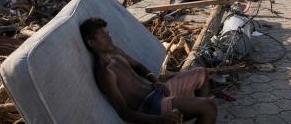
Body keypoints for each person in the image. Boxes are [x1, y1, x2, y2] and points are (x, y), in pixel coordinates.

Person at [80, 18, 217, 124]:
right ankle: (198, 110)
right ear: (91, 43)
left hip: (158, 91)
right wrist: (161, 120)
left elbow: (138, 66)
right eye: (103, 36)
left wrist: (155, 80)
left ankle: (194, 112)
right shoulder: (105, 72)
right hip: (153, 107)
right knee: (209, 107)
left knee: (202, 73)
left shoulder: (115, 51)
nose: (109, 37)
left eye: (108, 33)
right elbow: (124, 112)